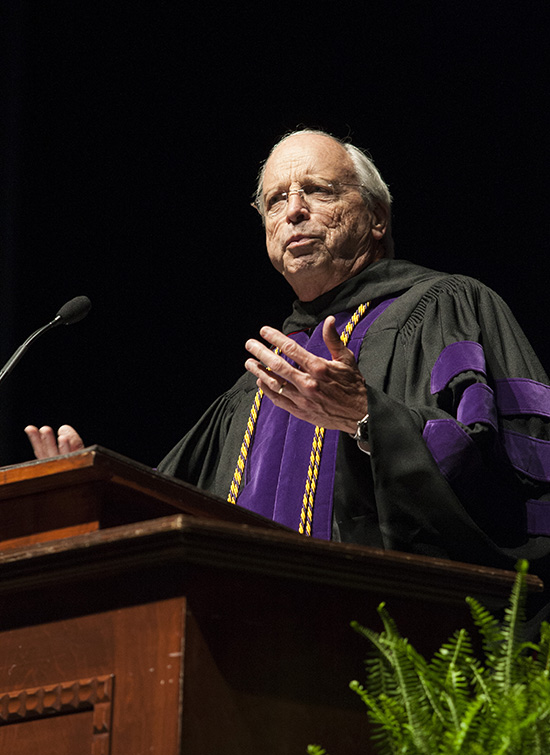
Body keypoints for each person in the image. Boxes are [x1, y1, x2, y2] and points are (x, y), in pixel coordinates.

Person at [25, 128, 550, 602]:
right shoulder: (255, 388)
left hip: (402, 648)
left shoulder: (448, 307)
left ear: (376, 217)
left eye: (317, 190)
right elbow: (177, 514)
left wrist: (370, 418)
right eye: (275, 200)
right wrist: (91, 500)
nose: (293, 210)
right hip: (259, 667)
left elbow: (505, 481)